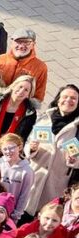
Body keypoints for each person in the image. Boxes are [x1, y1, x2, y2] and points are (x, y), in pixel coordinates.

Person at [23, 84, 79, 220]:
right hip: (35, 175)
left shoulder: (77, 127)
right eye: (65, 97)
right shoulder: (44, 118)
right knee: (23, 217)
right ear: (58, 99)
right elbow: (28, 145)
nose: (68, 100)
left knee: (46, 221)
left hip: (57, 183)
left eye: (73, 98)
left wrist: (74, 160)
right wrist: (31, 149)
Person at [0, 28, 48, 102]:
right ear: (12, 42)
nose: (22, 46)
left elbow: (39, 94)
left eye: (27, 43)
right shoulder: (0, 59)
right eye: (18, 41)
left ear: (33, 45)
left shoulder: (40, 67)